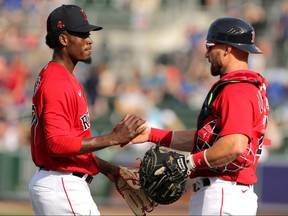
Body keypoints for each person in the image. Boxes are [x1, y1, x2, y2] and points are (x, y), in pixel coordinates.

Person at [128, 17, 270, 215]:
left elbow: (234, 145)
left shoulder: (236, 90)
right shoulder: (246, 87)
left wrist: (189, 162)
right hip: (228, 193)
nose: (206, 54)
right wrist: (152, 134)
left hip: (223, 194)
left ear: (227, 49)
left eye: (210, 46)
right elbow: (208, 140)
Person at [28, 4, 146, 215]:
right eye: (82, 34)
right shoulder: (57, 81)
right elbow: (57, 145)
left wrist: (110, 169)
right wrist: (113, 138)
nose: (89, 39)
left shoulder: (60, 75)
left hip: (59, 183)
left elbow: (69, 145)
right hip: (62, 185)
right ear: (63, 39)